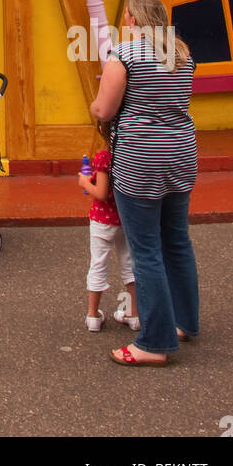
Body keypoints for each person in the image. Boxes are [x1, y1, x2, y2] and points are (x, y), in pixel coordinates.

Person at [90, 0, 198, 366]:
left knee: (146, 250)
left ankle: (154, 343)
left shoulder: (125, 55)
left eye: (126, 19)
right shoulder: (182, 55)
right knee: (177, 241)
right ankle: (183, 322)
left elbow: (105, 108)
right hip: (181, 157)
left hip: (141, 162)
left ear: (134, 20)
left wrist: (94, 102)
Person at [78, 142, 139, 333]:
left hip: (102, 220)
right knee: (129, 264)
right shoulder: (133, 153)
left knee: (98, 264)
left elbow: (102, 193)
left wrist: (85, 182)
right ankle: (133, 314)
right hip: (126, 217)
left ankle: (93, 315)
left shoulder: (105, 157)